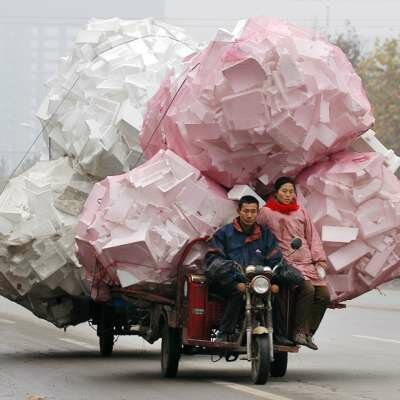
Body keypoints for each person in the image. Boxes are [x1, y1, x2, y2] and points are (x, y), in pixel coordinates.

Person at [257, 176, 330, 350]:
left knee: (324, 295)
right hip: (285, 262)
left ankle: (308, 332)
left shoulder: (301, 211)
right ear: (276, 193)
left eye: (291, 192)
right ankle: (297, 331)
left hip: (306, 261)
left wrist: (319, 259)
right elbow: (257, 234)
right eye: (284, 191)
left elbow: (312, 236)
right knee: (308, 289)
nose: (288, 195)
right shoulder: (266, 212)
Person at [204, 195, 288, 343]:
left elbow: (275, 258)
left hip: (258, 281)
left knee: (274, 294)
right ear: (239, 211)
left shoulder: (266, 235)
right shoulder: (224, 233)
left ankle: (279, 335)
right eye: (246, 211)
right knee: (238, 292)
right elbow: (213, 259)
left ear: (258, 213)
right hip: (230, 281)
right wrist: (234, 277)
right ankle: (225, 332)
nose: (249, 215)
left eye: (253, 211)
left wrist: (274, 280)